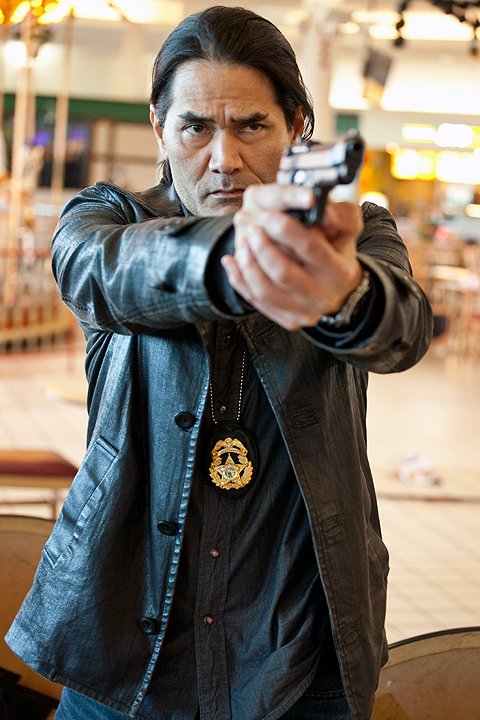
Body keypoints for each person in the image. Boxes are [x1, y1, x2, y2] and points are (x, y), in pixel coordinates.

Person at [6, 6, 432, 720]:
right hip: (122, 643)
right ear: (159, 128)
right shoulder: (108, 218)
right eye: (195, 128)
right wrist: (238, 255)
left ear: (297, 126)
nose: (224, 158)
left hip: (299, 649)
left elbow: (403, 328)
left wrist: (342, 291)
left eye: (251, 127)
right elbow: (102, 271)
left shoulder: (355, 235)